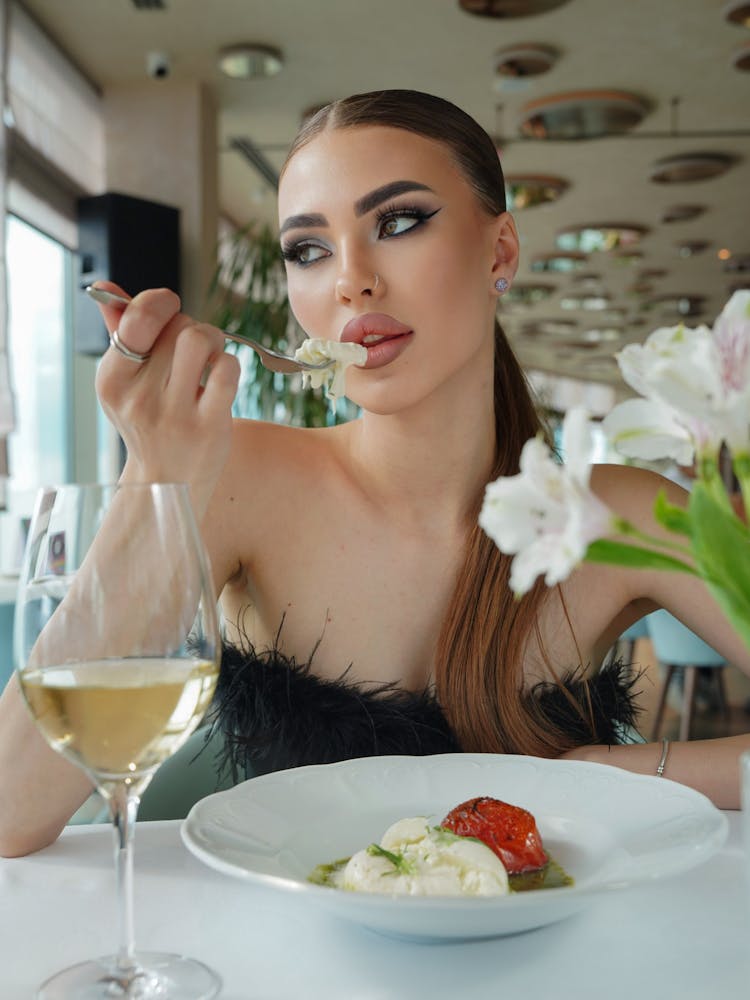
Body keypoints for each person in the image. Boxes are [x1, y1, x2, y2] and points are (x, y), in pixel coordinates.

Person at [1, 89, 748, 858]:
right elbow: (8, 810)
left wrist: (625, 772)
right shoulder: (240, 473)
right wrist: (155, 475)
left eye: (398, 222)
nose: (350, 281)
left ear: (499, 253)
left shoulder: (618, 515)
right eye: (309, 250)